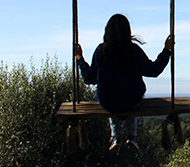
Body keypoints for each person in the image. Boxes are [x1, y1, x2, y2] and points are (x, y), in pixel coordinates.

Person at [74, 13, 173, 152]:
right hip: (132, 101)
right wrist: (167, 50)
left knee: (111, 98)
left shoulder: (101, 51)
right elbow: (153, 70)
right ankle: (132, 137)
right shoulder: (133, 50)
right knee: (130, 98)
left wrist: (79, 58)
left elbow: (88, 78)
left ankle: (115, 137)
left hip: (109, 103)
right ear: (128, 31)